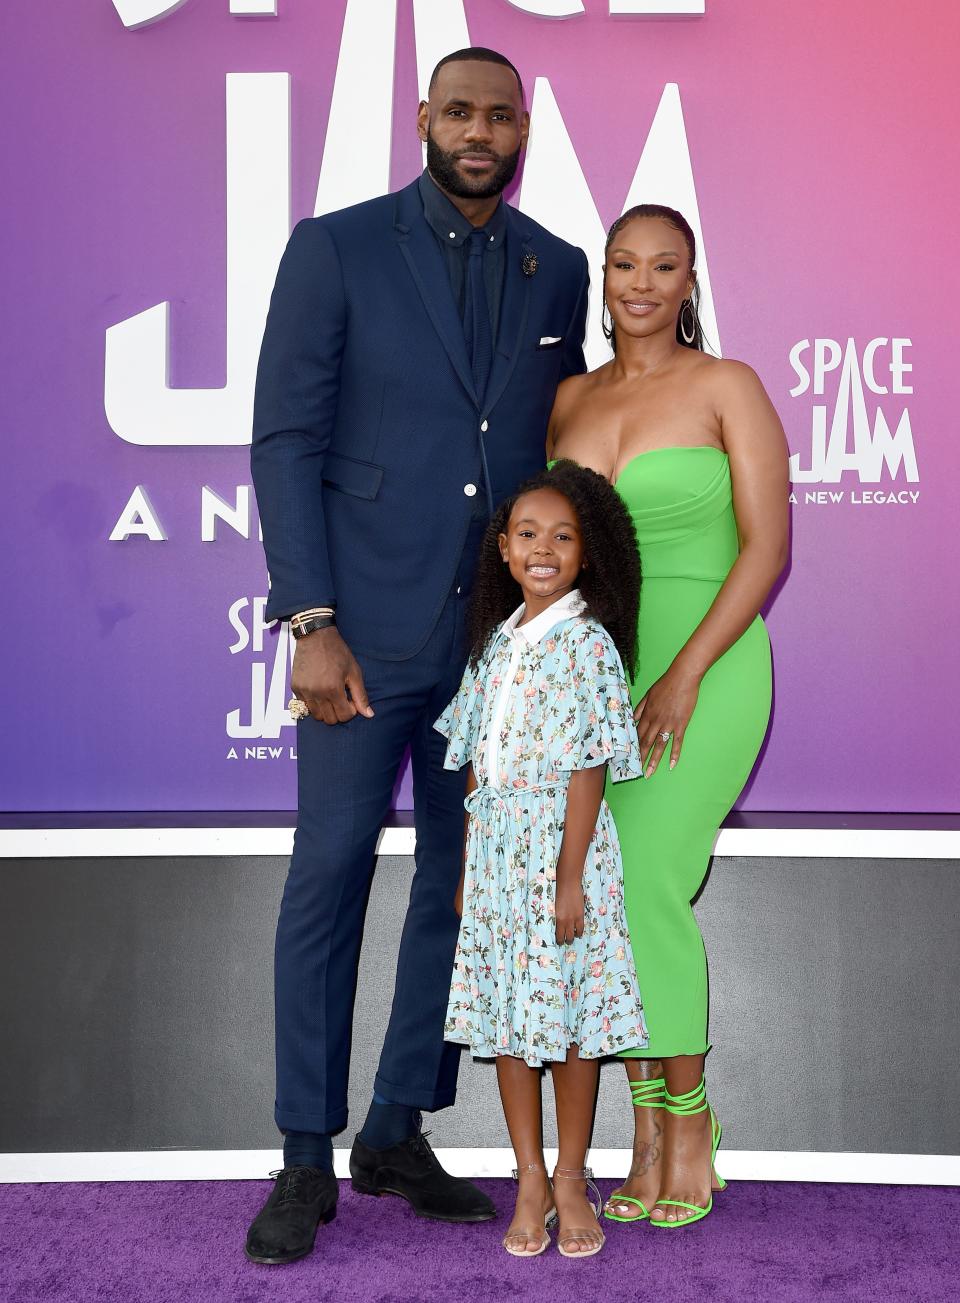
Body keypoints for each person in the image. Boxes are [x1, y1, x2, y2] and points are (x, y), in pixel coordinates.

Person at [245, 47, 589, 1265]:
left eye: (501, 114)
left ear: (524, 128)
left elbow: (541, 453)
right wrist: (308, 616)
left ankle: (395, 1126)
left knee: (463, 889)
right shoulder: (334, 247)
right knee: (327, 880)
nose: (479, 131)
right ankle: (303, 1151)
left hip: (491, 651)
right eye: (460, 111)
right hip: (361, 639)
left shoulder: (561, 267)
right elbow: (286, 436)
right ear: (426, 119)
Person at [549, 204, 788, 1228]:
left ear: (691, 280)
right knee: (604, 889)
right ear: (602, 280)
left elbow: (768, 549)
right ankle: (645, 1127)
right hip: (601, 671)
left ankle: (690, 1121)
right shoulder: (564, 399)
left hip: (713, 659)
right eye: (622, 264)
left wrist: (685, 673)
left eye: (664, 265)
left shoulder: (728, 385)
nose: (640, 282)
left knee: (645, 877)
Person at [436, 462, 648, 1259]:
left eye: (563, 537)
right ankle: (527, 1175)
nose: (544, 548)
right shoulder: (495, 645)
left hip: (563, 855)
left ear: (586, 554)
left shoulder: (587, 643)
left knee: (568, 1026)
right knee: (511, 1024)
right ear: (502, 548)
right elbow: (473, 762)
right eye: (528, 534)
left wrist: (568, 876)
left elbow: (590, 764)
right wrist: (465, 866)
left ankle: (569, 1175)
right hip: (495, 858)